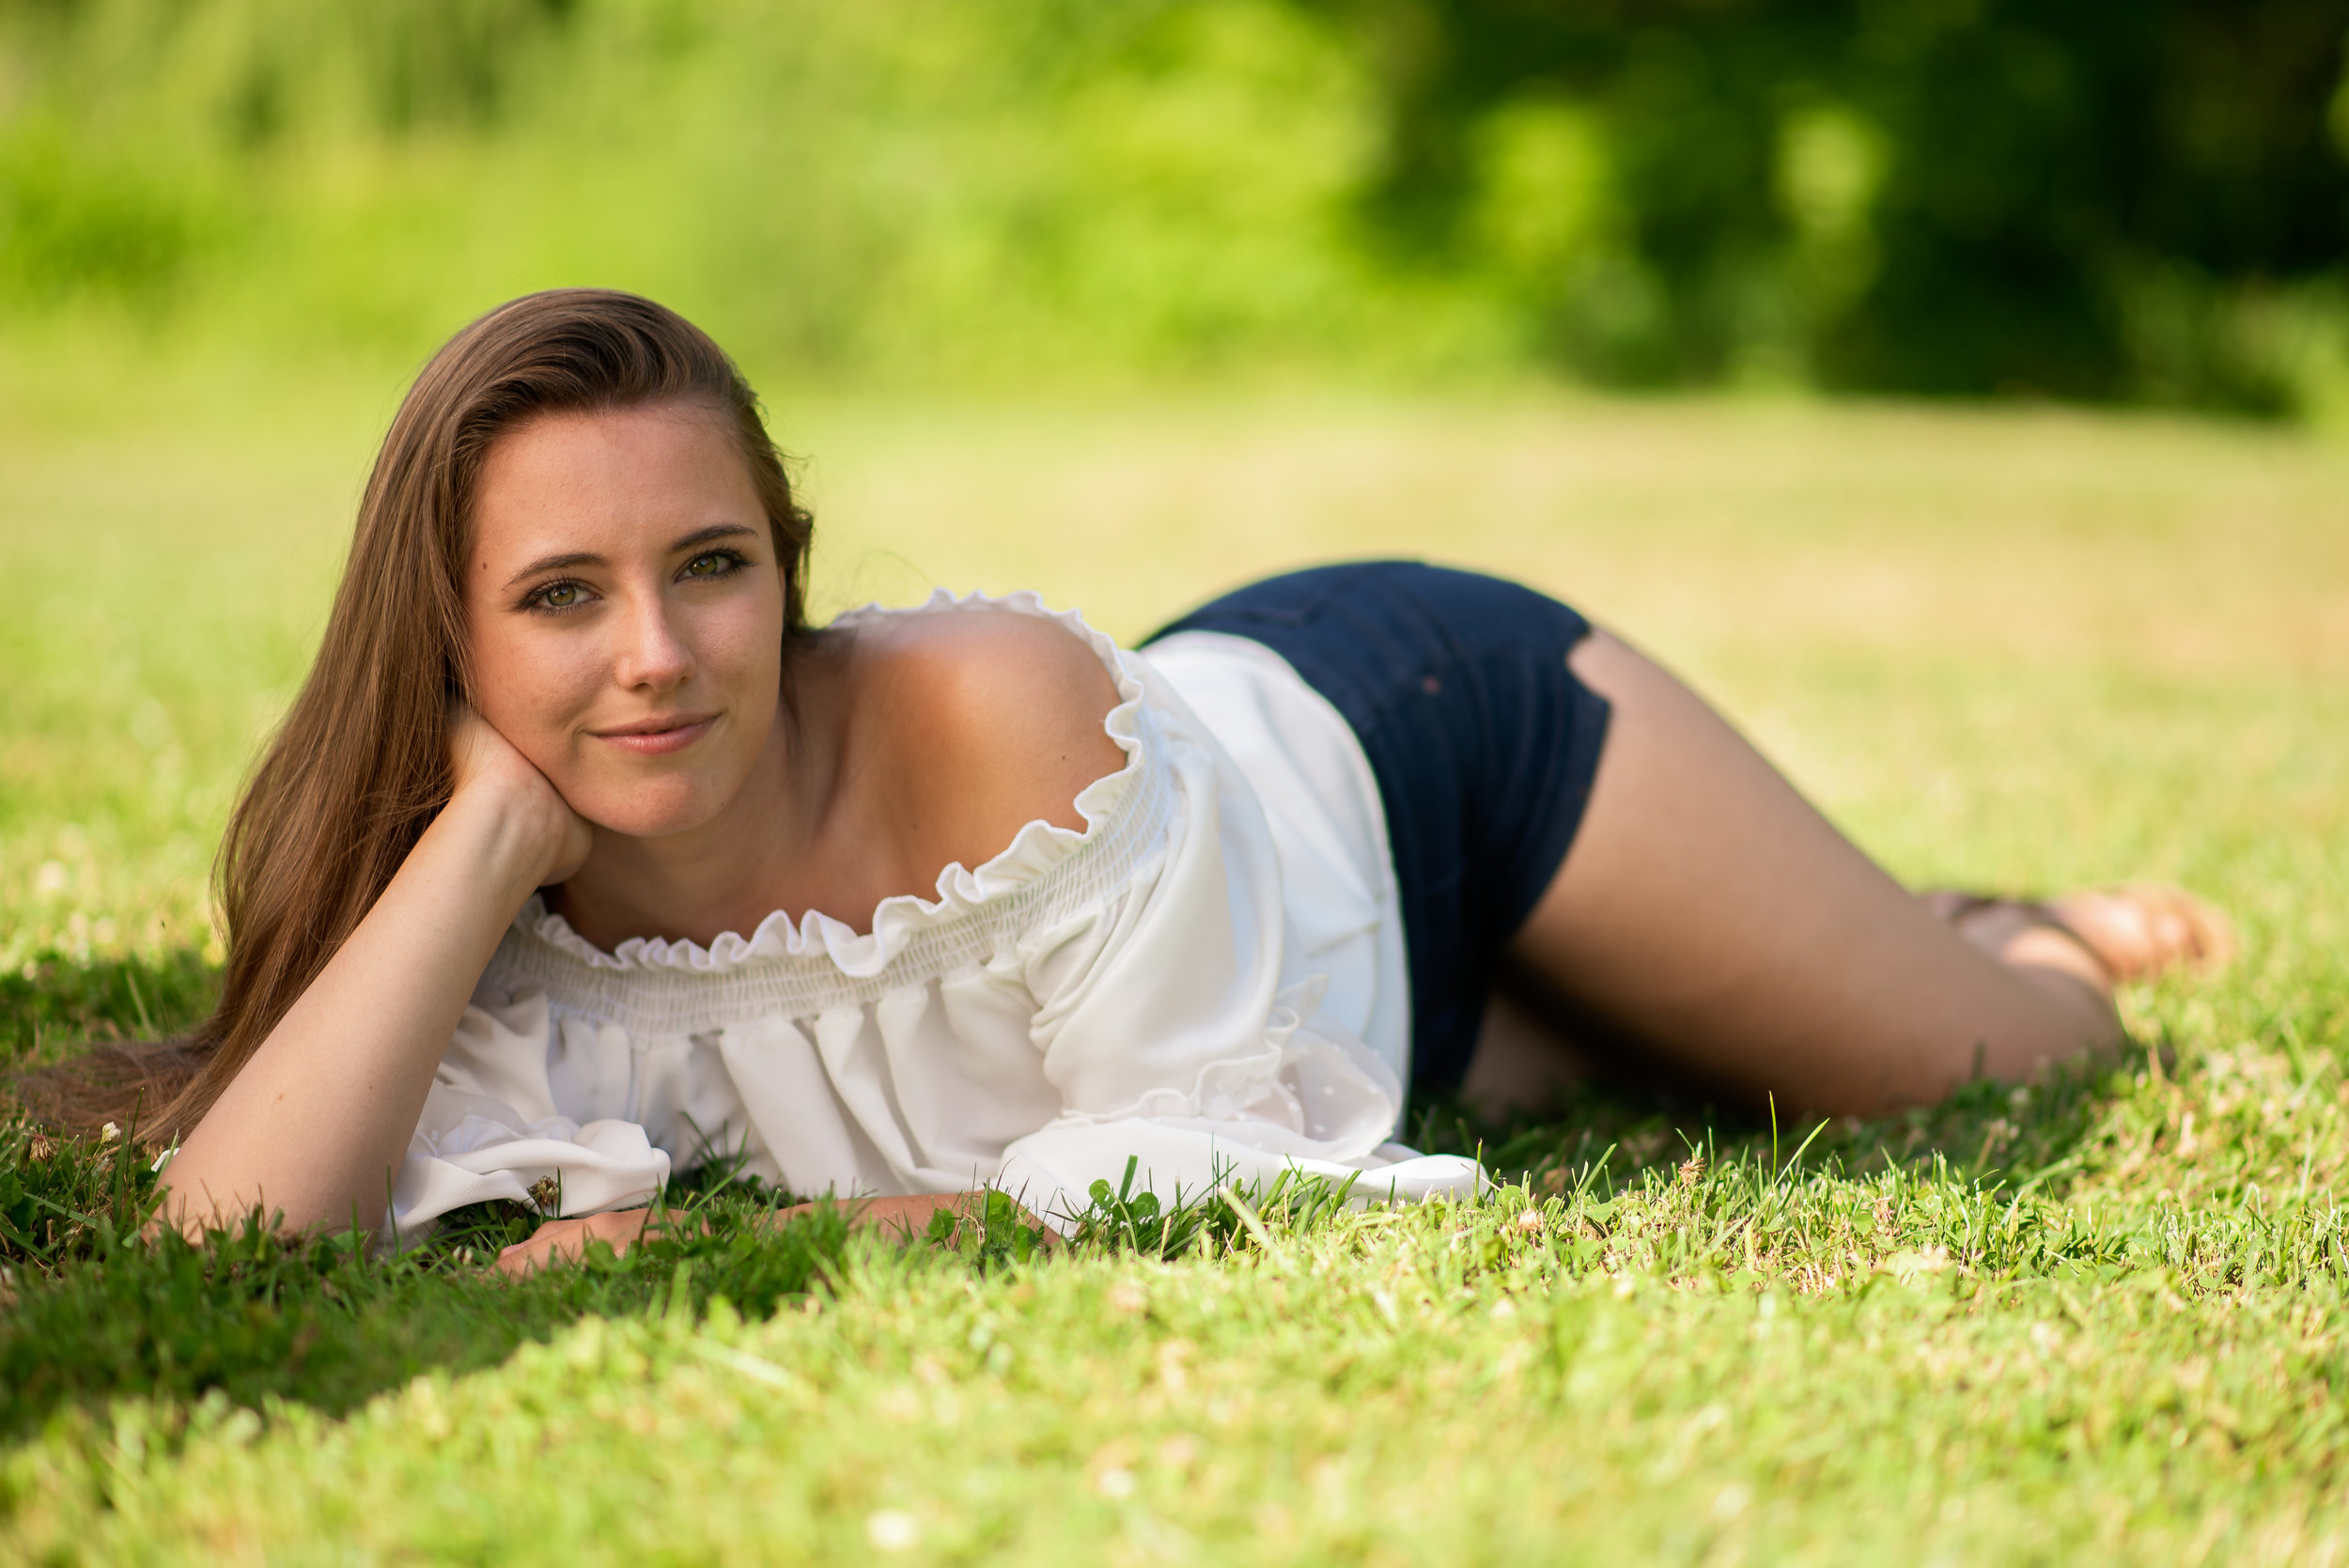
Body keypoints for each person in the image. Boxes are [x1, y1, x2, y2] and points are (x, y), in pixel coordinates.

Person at [52, 290, 2224, 1273]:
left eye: (707, 567)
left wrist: (839, 1225)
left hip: (1417, 753)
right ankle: (1783, 943)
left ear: (786, 576)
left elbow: (1246, 1165)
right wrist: (490, 838)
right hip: (1375, 1008)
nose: (649, 655)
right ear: (440, 643)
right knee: (1642, 1060)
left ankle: (1988, 932)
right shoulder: (504, 882)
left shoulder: (1001, 719)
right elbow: (234, 1241)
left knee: (1974, 1063)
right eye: (556, 597)